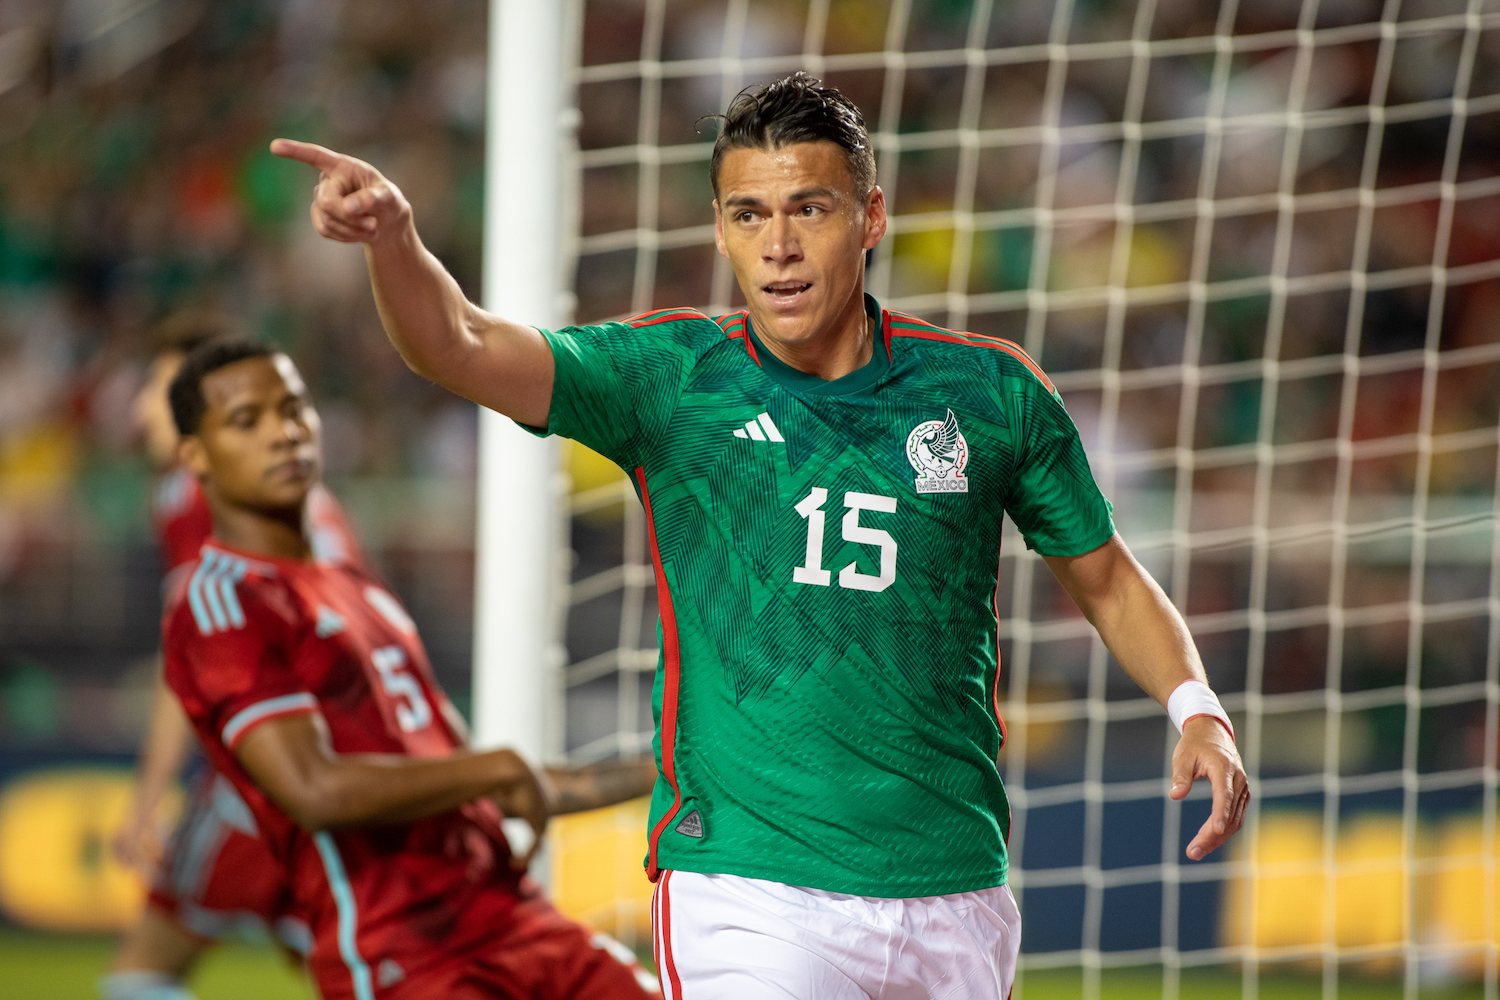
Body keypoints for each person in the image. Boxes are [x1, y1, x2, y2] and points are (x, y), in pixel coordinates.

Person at [272, 71, 1250, 999]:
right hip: (748, 886)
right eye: (749, 215)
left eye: (808, 209)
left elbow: (1107, 577)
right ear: (722, 230)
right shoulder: (672, 379)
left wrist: (1197, 708)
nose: (777, 245)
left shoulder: (989, 394)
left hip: (954, 881)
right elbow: (458, 344)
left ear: (869, 218)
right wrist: (394, 241)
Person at [159, 337, 661, 1000]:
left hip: (512, 915)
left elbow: (489, 778)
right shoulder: (221, 603)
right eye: (246, 421)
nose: (283, 433)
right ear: (195, 455)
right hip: (401, 953)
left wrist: (681, 764)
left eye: (294, 409)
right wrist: (495, 769)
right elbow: (314, 790)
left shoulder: (354, 587)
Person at [106, 313, 367, 1000]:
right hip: (346, 758)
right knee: (352, 959)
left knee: (142, 971)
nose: (142, 409)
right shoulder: (301, 490)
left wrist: (146, 798)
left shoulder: (203, 495)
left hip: (272, 771)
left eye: (159, 388)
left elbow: (191, 655)